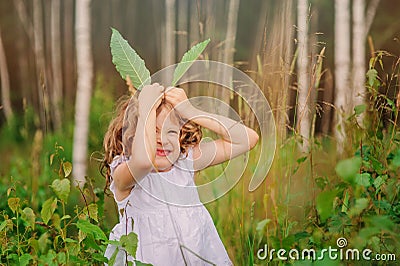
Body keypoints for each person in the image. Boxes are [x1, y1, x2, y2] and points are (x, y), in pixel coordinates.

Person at [102, 83, 259, 265]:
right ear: (132, 136)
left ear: (181, 135)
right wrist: (146, 108)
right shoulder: (125, 174)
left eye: (171, 131)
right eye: (153, 131)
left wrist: (191, 111)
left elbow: (248, 139)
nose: (162, 140)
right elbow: (144, 162)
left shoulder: (185, 162)